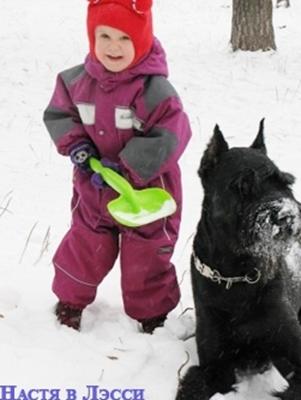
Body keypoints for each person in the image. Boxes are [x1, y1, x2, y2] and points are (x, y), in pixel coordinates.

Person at [43, 0, 192, 333]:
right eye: (105, 36)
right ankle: (70, 300)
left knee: (147, 254)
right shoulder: (74, 82)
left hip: (146, 191)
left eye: (125, 38)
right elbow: (59, 115)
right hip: (94, 185)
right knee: (85, 246)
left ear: (141, 39)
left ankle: (153, 316)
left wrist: (129, 165)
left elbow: (172, 133)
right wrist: (77, 146)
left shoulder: (155, 91)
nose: (114, 47)